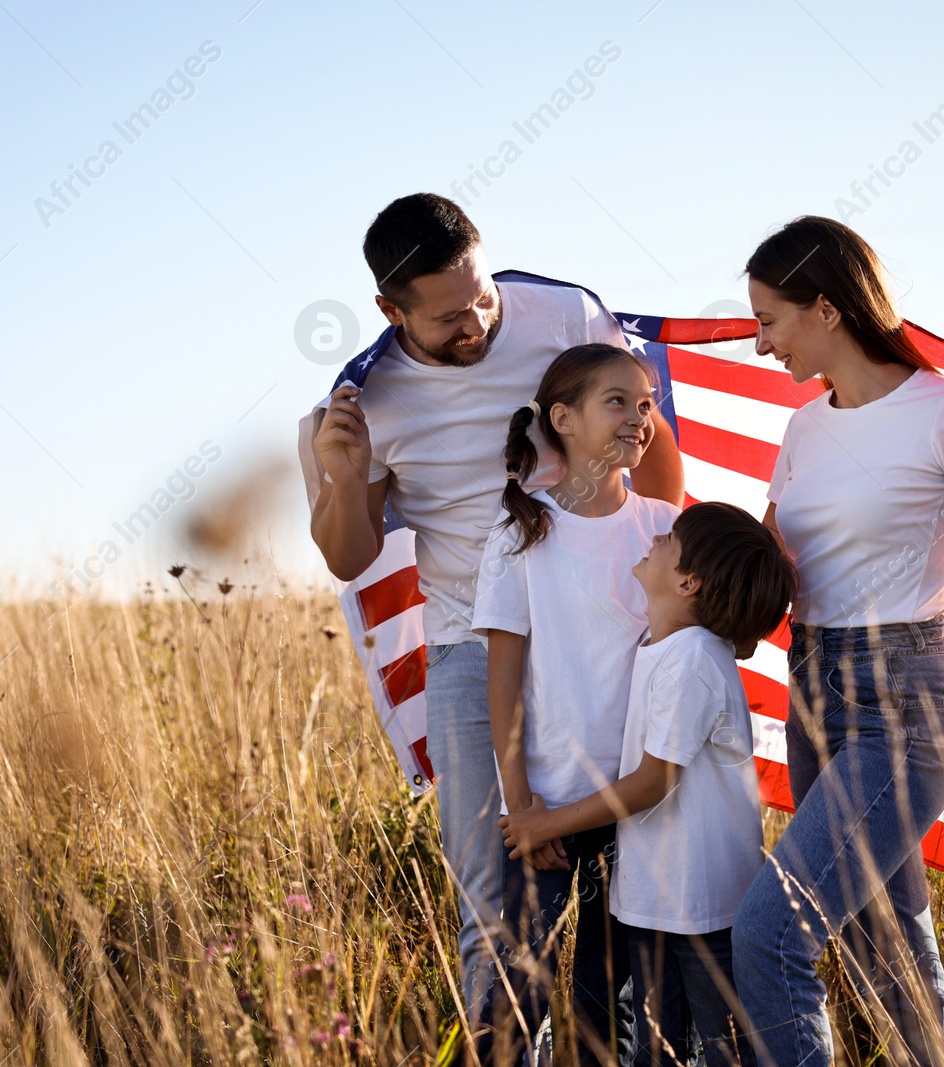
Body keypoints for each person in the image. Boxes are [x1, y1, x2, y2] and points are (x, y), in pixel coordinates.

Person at [307, 193, 684, 1037]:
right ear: (388, 310)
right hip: (470, 658)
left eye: (481, 297)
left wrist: (655, 604)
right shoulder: (365, 402)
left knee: (631, 902)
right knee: (501, 918)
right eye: (449, 317)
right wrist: (343, 474)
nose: (477, 323)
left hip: (603, 640)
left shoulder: (565, 311)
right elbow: (347, 555)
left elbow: (651, 454)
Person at [730, 215, 944, 1066]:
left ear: (827, 310)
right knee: (893, 961)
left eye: (770, 320)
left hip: (902, 709)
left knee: (771, 934)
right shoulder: (805, 429)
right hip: (814, 695)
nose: (763, 344)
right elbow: (765, 575)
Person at [501, 502, 796, 1067]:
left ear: (688, 582)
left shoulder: (693, 659)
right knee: (658, 1051)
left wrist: (546, 822)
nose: (657, 535)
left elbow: (650, 783)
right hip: (658, 904)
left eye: (673, 538)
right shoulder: (659, 647)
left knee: (717, 1049)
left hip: (702, 909)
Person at [471, 342, 682, 1064]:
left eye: (647, 402)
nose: (638, 416)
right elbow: (503, 680)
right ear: (562, 417)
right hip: (546, 809)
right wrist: (523, 805)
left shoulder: (663, 528)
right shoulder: (521, 533)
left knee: (614, 998)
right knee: (515, 994)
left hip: (640, 808)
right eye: (617, 401)